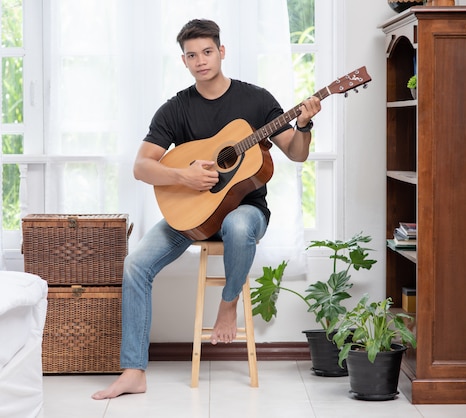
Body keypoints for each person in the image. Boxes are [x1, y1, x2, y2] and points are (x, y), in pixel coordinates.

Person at [92, 18, 321, 400]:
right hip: (192, 215)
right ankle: (133, 371)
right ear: (184, 61)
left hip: (245, 212)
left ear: (222, 52)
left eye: (208, 52)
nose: (201, 61)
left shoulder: (256, 101)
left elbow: (296, 154)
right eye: (192, 55)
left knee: (236, 226)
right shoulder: (176, 109)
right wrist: (183, 177)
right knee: (135, 265)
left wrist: (305, 125)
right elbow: (141, 166)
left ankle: (227, 306)